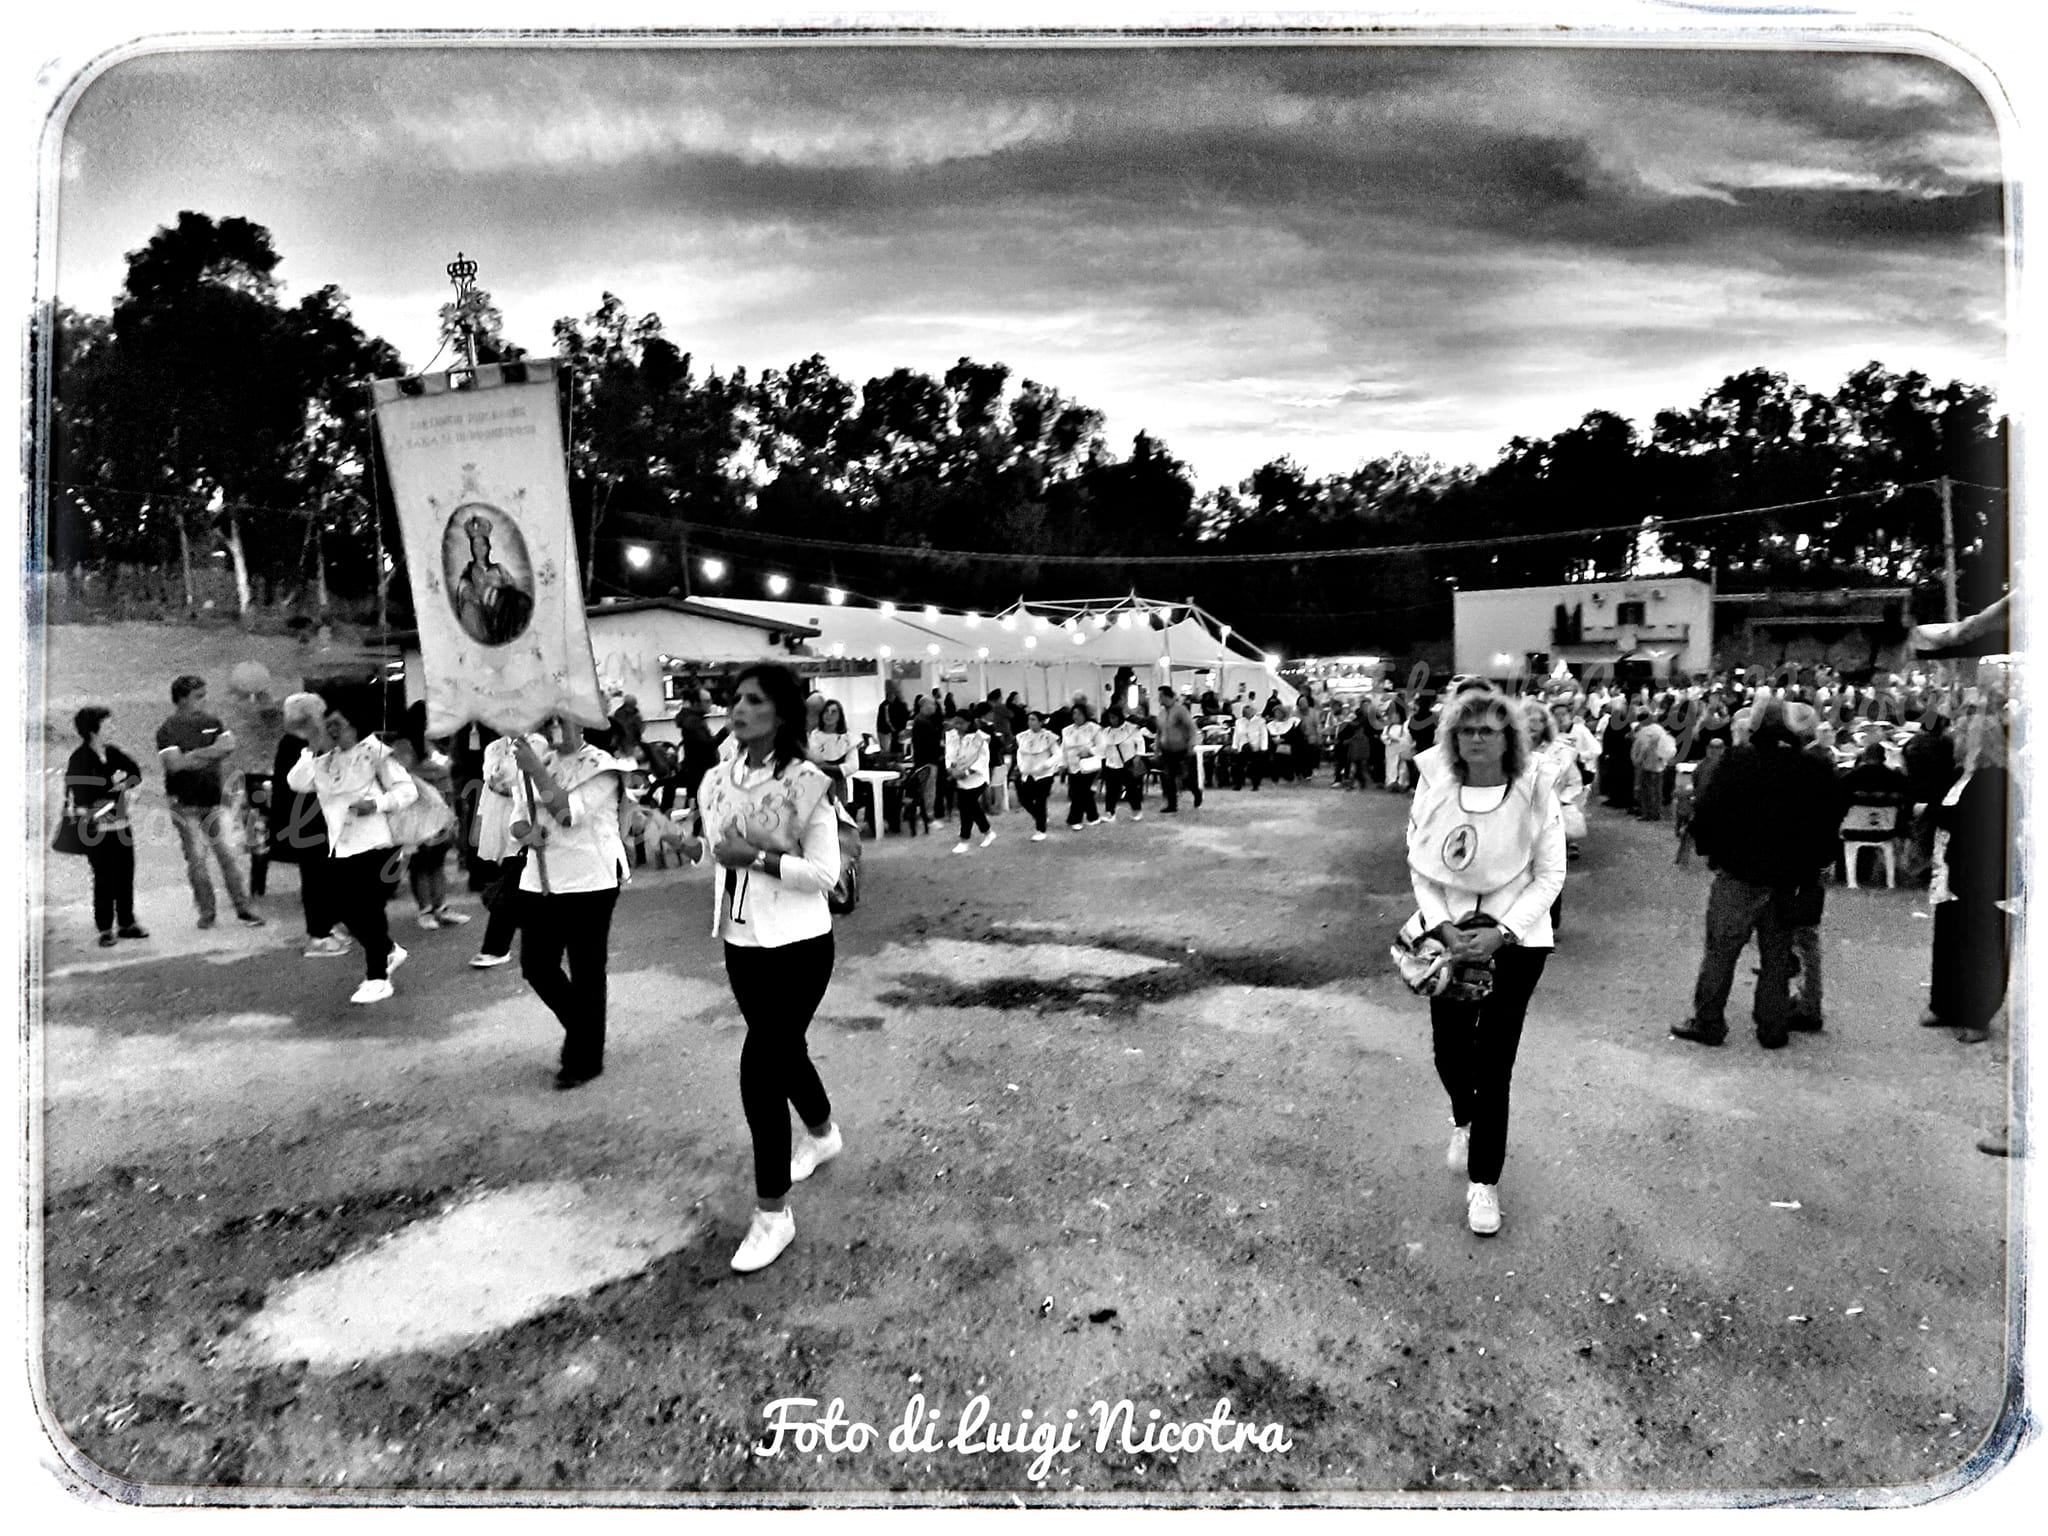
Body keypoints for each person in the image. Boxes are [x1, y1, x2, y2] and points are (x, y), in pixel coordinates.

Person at [679, 662, 844, 1275]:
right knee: (785, 1052)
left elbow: (825, 876)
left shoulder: (809, 783)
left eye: (752, 700)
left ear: (780, 712)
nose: (737, 709)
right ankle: (824, 1133)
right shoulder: (716, 780)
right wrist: (680, 842)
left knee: (760, 1067)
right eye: (733, 699)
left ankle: (773, 1213)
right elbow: (713, 850)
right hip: (741, 942)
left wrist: (759, 859)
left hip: (800, 947)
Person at [1402, 686, 1565, 1237]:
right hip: (1447, 941)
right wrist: (1445, 928)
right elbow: (1422, 867)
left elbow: (1550, 875)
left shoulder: (1536, 793)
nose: (1475, 738)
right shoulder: (1434, 789)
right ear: (1453, 736)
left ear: (1507, 737)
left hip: (1517, 946)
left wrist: (1504, 932)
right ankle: (1463, 1117)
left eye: (1487, 729)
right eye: (1465, 729)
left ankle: (1484, 1183)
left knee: (1494, 1061)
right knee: (1450, 1051)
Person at [1671, 699, 1842, 1050]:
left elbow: (1708, 810)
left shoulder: (1737, 761)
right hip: (1787, 879)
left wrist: (1712, 853)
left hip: (1738, 873)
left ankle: (1709, 1023)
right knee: (1777, 955)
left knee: (1721, 950)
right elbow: (1829, 819)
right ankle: (1773, 1027)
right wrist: (1814, 864)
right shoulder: (1813, 767)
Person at [286, 700, 416, 1004]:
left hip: (376, 841)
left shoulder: (376, 753)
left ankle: (377, 977)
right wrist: (313, 747)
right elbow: (297, 782)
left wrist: (377, 804)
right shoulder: (325, 758)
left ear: (354, 726)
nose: (331, 731)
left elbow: (407, 790)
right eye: (327, 725)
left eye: (337, 725)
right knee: (341, 907)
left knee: (368, 908)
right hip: (341, 844)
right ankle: (387, 950)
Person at [1921, 713, 2010, 1046]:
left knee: (1980, 947)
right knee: (1948, 939)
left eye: (1962, 736)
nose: (1955, 740)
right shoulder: (1961, 775)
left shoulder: (1996, 781)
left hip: (1982, 878)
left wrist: (1932, 811)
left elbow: (1972, 823)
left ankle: (1978, 1015)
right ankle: (1944, 1003)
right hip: (1949, 872)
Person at [156, 674, 264, 930]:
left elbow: (229, 746)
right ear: (182, 699)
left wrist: (193, 755)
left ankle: (242, 908)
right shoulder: (167, 729)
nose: (204, 701)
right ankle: (207, 911)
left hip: (213, 802)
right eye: (198, 697)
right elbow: (174, 765)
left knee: (227, 856)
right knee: (197, 860)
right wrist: (211, 753)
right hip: (185, 803)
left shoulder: (213, 722)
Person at [63, 706, 147, 947]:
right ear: (93, 730)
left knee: (125, 874)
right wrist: (113, 784)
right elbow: (83, 793)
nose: (112, 728)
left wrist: (120, 784)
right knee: (104, 878)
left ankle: (126, 923)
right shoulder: (79, 759)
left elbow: (135, 773)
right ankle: (105, 928)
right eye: (107, 724)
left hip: (120, 825)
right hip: (96, 829)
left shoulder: (113, 752)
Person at [271, 692, 345, 957]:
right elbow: (301, 782)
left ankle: (326, 925)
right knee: (315, 877)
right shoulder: (294, 744)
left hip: (319, 818)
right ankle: (318, 935)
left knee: (327, 875)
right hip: (304, 820)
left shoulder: (310, 742)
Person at [468, 728, 544, 969]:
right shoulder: (493, 747)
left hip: (522, 815)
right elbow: (487, 782)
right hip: (497, 816)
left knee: (511, 881)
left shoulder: (536, 744)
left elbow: (532, 780)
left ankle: (495, 946)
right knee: (516, 879)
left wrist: (506, 787)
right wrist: (479, 822)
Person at [452, 514, 534, 646]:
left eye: (482, 545)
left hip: (504, 612)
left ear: (488, 547)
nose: (480, 549)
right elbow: (466, 594)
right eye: (476, 546)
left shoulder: (499, 569)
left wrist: (499, 590)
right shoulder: (468, 574)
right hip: (485, 615)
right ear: (472, 549)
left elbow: (512, 587)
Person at [945, 707, 996, 853]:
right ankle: (987, 832)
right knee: (971, 807)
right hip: (959, 776)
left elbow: (983, 760)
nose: (957, 726)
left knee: (966, 807)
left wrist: (966, 772)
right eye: (955, 722)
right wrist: (950, 768)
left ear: (969, 723)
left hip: (977, 777)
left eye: (961, 723)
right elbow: (949, 755)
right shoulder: (952, 736)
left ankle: (964, 840)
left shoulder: (979, 738)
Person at [1013, 709, 1060, 840]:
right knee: (1025, 800)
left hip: (1044, 774)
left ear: (1040, 722)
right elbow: (1019, 752)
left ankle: (1041, 830)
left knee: (1040, 801)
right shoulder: (1022, 736)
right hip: (1027, 772)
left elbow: (1057, 753)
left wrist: (1048, 764)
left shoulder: (1048, 736)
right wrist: (1021, 765)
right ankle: (1041, 816)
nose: (1030, 722)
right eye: (1029, 719)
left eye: (1033, 719)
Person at [1154, 686, 1202, 813]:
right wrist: (1156, 747)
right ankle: (1172, 804)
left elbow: (1192, 728)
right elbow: (1159, 732)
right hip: (1167, 750)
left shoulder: (1180, 710)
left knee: (1188, 778)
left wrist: (1191, 745)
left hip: (1182, 750)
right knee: (1168, 778)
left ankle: (1196, 792)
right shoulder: (1162, 714)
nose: (1159, 699)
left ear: (1167, 696)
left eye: (1161, 696)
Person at [1061, 697, 1105, 828]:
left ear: (1085, 715)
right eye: (1074, 713)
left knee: (1081, 792)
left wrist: (1090, 750)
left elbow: (1102, 745)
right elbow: (1063, 748)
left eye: (1079, 714)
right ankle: (1093, 816)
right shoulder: (1067, 730)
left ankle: (1075, 819)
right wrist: (1062, 764)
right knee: (1079, 792)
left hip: (1088, 765)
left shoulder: (1094, 729)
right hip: (1072, 764)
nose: (1076, 716)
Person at [1099, 704, 1147, 821]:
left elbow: (1140, 743)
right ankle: (1110, 813)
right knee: (1111, 790)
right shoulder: (1106, 732)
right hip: (1111, 764)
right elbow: (1101, 748)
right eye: (1110, 718)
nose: (1112, 720)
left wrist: (1138, 756)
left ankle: (1136, 811)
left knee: (1132, 789)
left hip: (1127, 763)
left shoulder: (1131, 729)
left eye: (1114, 717)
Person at [808, 699, 855, 790]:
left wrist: (832, 768)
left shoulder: (847, 738)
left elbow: (852, 765)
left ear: (839, 716)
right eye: (826, 711)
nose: (829, 715)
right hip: (815, 783)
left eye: (833, 712)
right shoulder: (813, 736)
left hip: (838, 784)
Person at [1229, 702, 1268, 791]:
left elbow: (1263, 735)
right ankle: (1238, 784)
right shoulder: (1239, 722)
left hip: (1255, 747)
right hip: (1242, 747)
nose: (1246, 712)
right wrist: (1234, 746)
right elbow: (1236, 735)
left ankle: (1255, 785)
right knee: (1239, 766)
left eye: (1248, 710)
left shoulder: (1260, 722)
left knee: (1255, 767)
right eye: (1244, 711)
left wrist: (1263, 747)